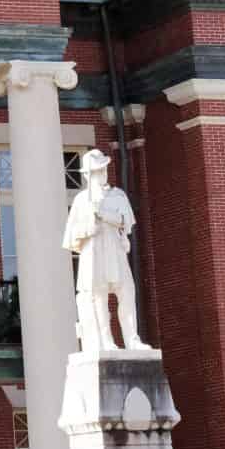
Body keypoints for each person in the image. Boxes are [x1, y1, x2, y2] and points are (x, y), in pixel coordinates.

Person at [63, 147, 138, 351]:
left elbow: (126, 220)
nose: (102, 174)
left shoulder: (118, 195)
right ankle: (106, 341)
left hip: (115, 248)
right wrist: (90, 226)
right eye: (97, 171)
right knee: (99, 296)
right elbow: (72, 236)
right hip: (94, 252)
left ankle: (132, 339)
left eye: (103, 169)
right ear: (87, 175)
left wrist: (104, 215)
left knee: (126, 292)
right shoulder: (81, 201)